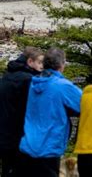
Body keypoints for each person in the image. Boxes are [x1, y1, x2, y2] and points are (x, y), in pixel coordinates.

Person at [18, 48, 82, 177]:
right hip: (49, 146)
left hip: (28, 144)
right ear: (61, 65)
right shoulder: (62, 86)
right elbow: (84, 105)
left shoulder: (33, 83)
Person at [0, 47, 44, 177]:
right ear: (30, 61)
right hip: (17, 135)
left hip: (4, 132)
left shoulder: (7, 76)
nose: (42, 66)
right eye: (40, 62)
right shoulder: (28, 80)